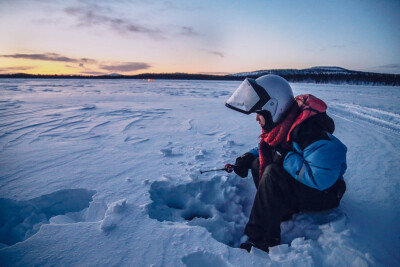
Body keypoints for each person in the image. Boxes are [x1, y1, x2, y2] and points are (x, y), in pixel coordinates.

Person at [225, 74, 347, 252]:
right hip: (308, 187)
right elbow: (270, 147)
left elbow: (323, 179)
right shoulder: (285, 124)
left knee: (273, 173)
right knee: (259, 163)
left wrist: (285, 157)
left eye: (259, 114)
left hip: (327, 193)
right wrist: (248, 157)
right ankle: (277, 210)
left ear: (274, 108)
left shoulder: (310, 133)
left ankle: (263, 240)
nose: (257, 119)